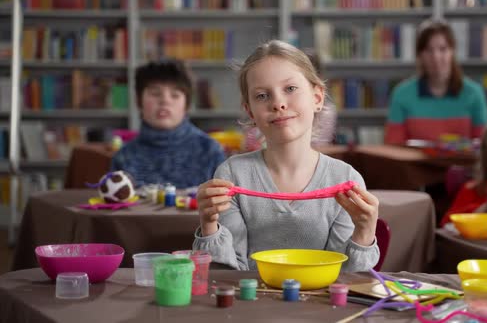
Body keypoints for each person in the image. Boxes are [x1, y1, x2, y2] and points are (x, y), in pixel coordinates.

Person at [193, 40, 379, 271]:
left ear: (317, 98)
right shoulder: (232, 174)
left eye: (290, 89)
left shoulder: (344, 179)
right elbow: (225, 275)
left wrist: (364, 233)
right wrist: (209, 225)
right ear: (249, 110)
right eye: (262, 96)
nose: (278, 103)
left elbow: (345, 280)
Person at [111, 59, 225, 188]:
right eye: (155, 93)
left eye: (175, 95)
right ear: (138, 101)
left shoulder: (210, 151)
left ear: (186, 104)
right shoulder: (124, 157)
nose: (165, 101)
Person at [385, 20, 487, 145]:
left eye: (443, 49)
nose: (436, 57)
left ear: (452, 52)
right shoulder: (401, 94)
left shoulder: (474, 93)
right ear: (420, 55)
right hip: (415, 164)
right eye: (429, 50)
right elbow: (393, 147)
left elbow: (483, 147)